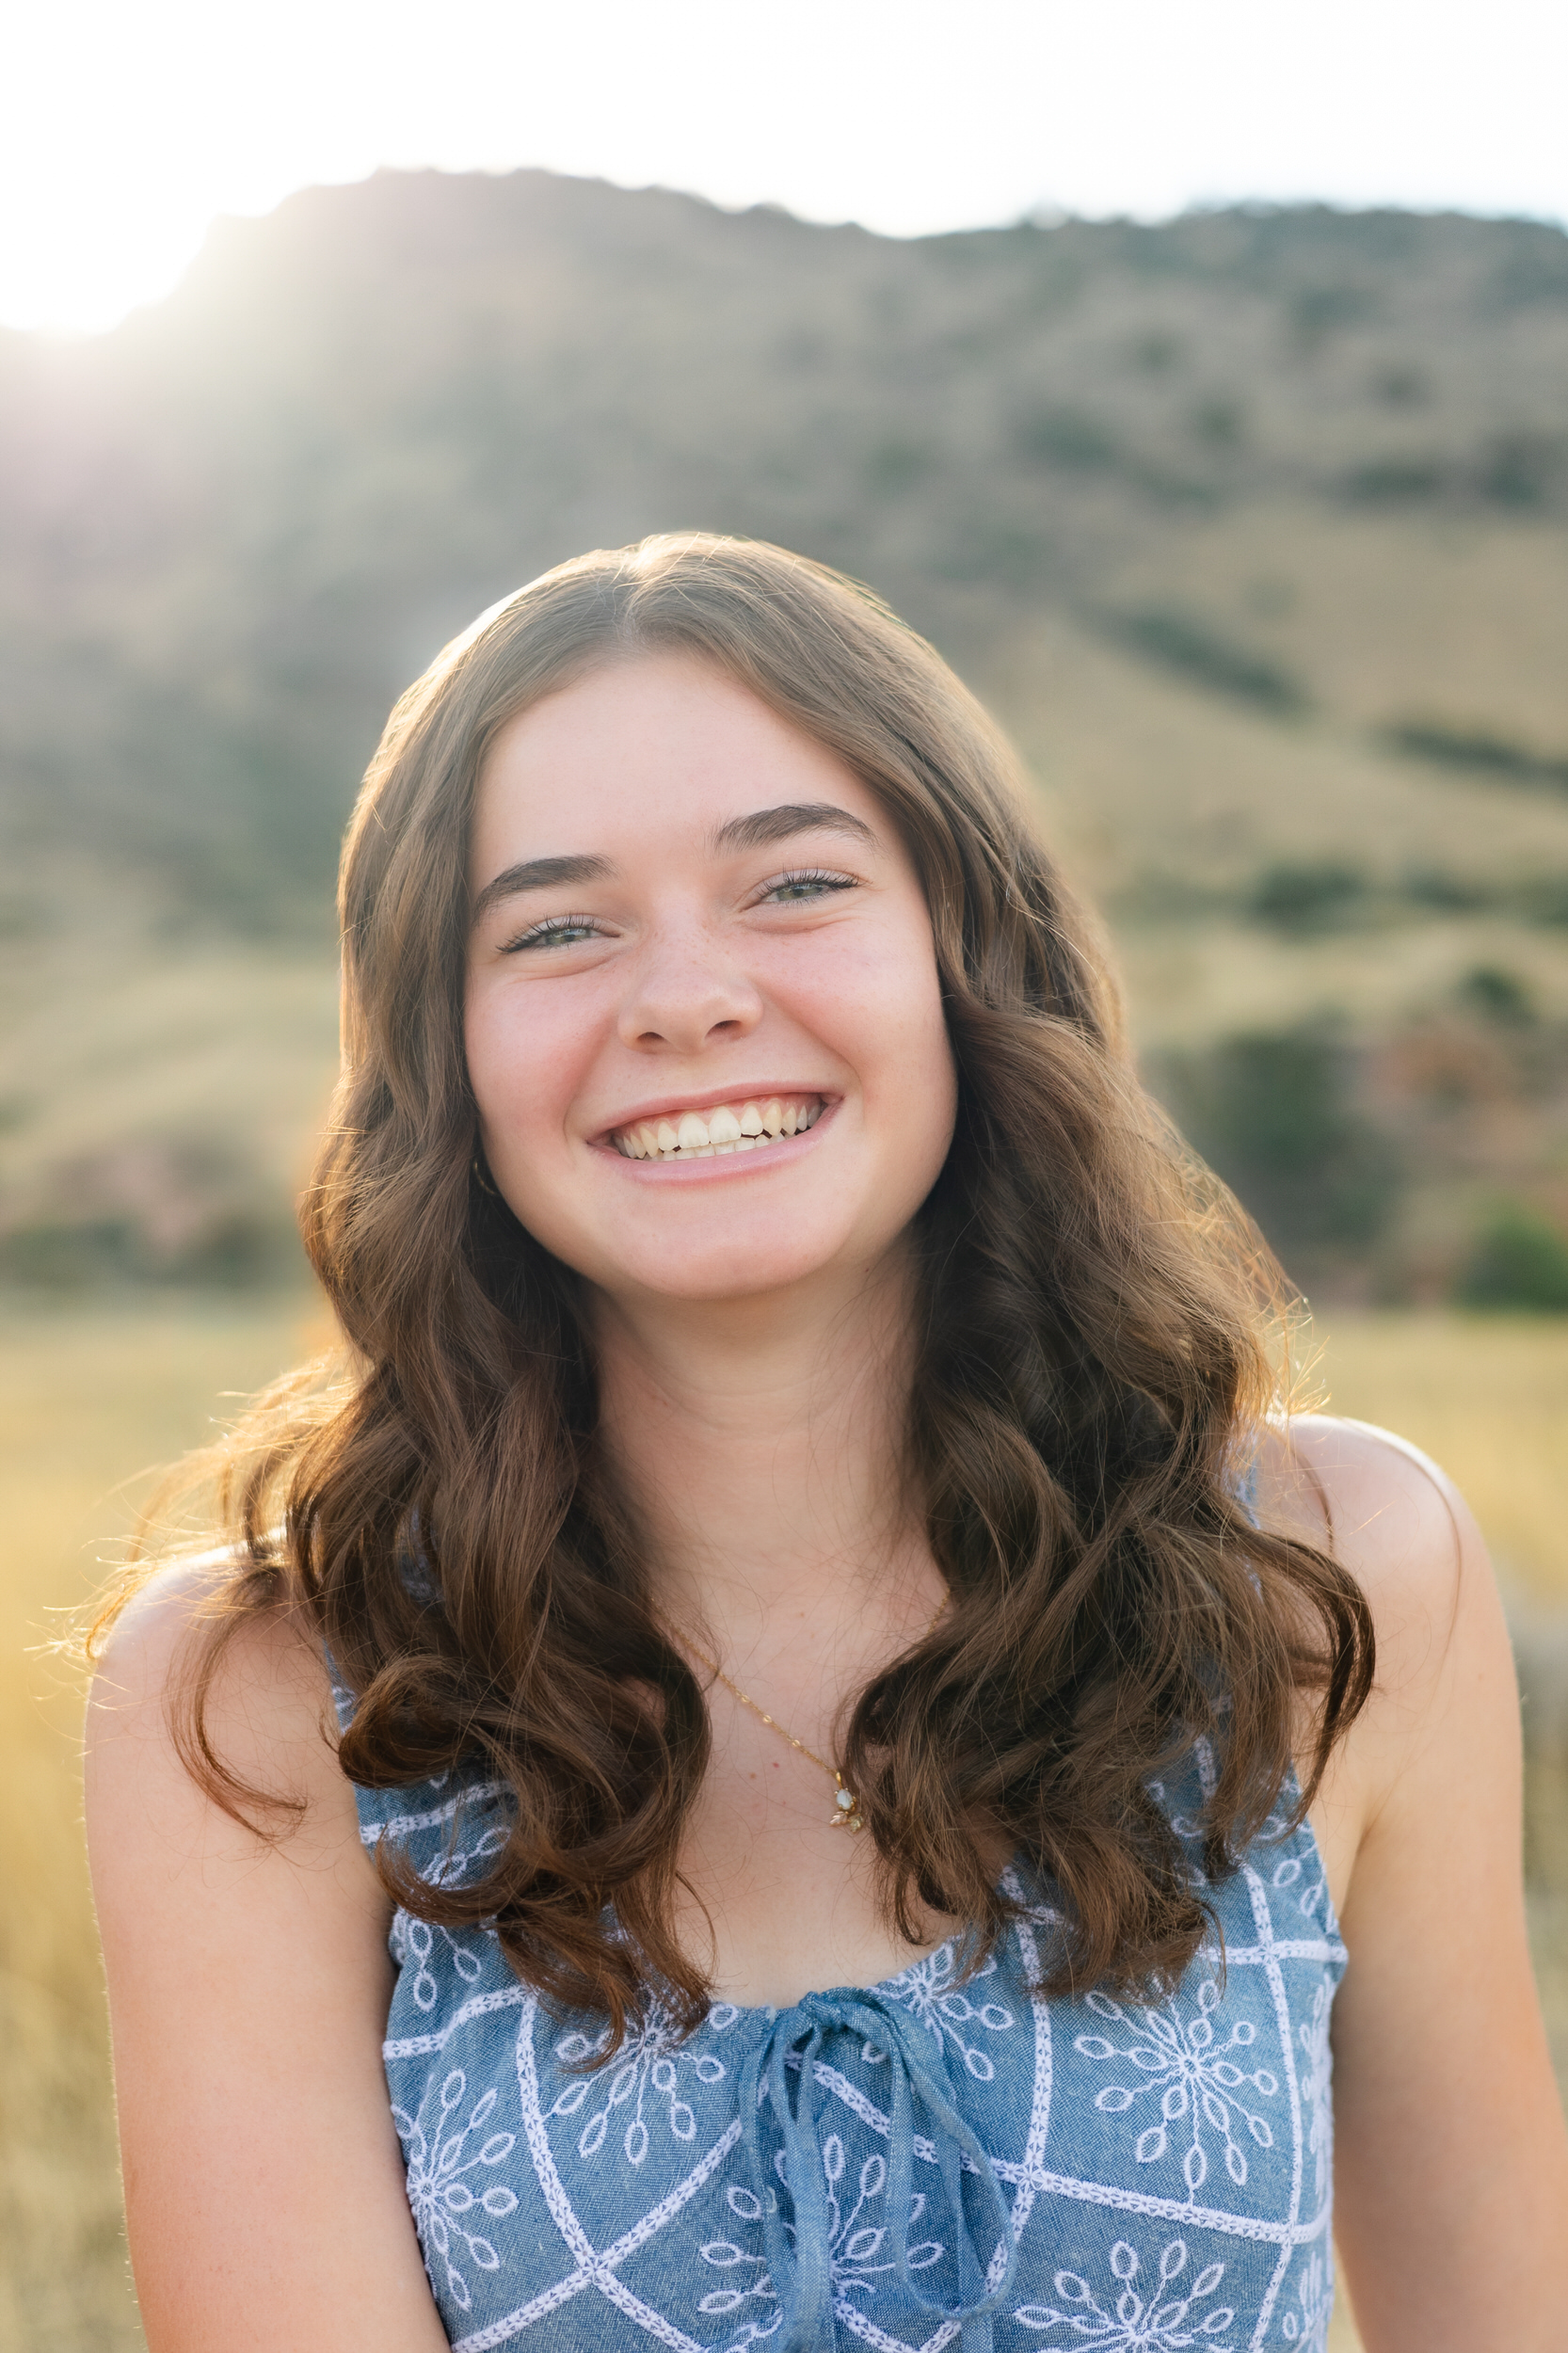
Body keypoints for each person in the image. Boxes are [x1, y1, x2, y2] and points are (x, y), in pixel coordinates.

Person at [86, 534, 1567, 2353]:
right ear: (439, 1044)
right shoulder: (260, 1703)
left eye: (792, 885)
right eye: (555, 926)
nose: (685, 996)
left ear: (965, 949)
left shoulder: (1330, 1573)